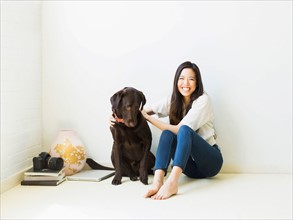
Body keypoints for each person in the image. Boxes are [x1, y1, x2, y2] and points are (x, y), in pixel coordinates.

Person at [140, 61, 223, 200]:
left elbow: (179, 130)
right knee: (167, 133)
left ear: (197, 83)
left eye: (191, 79)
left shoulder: (203, 100)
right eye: (182, 78)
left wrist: (147, 118)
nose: (186, 83)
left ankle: (172, 182)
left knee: (183, 130)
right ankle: (158, 182)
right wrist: (115, 117)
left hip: (211, 164)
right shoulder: (173, 100)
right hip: (189, 168)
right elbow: (144, 111)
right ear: (176, 81)